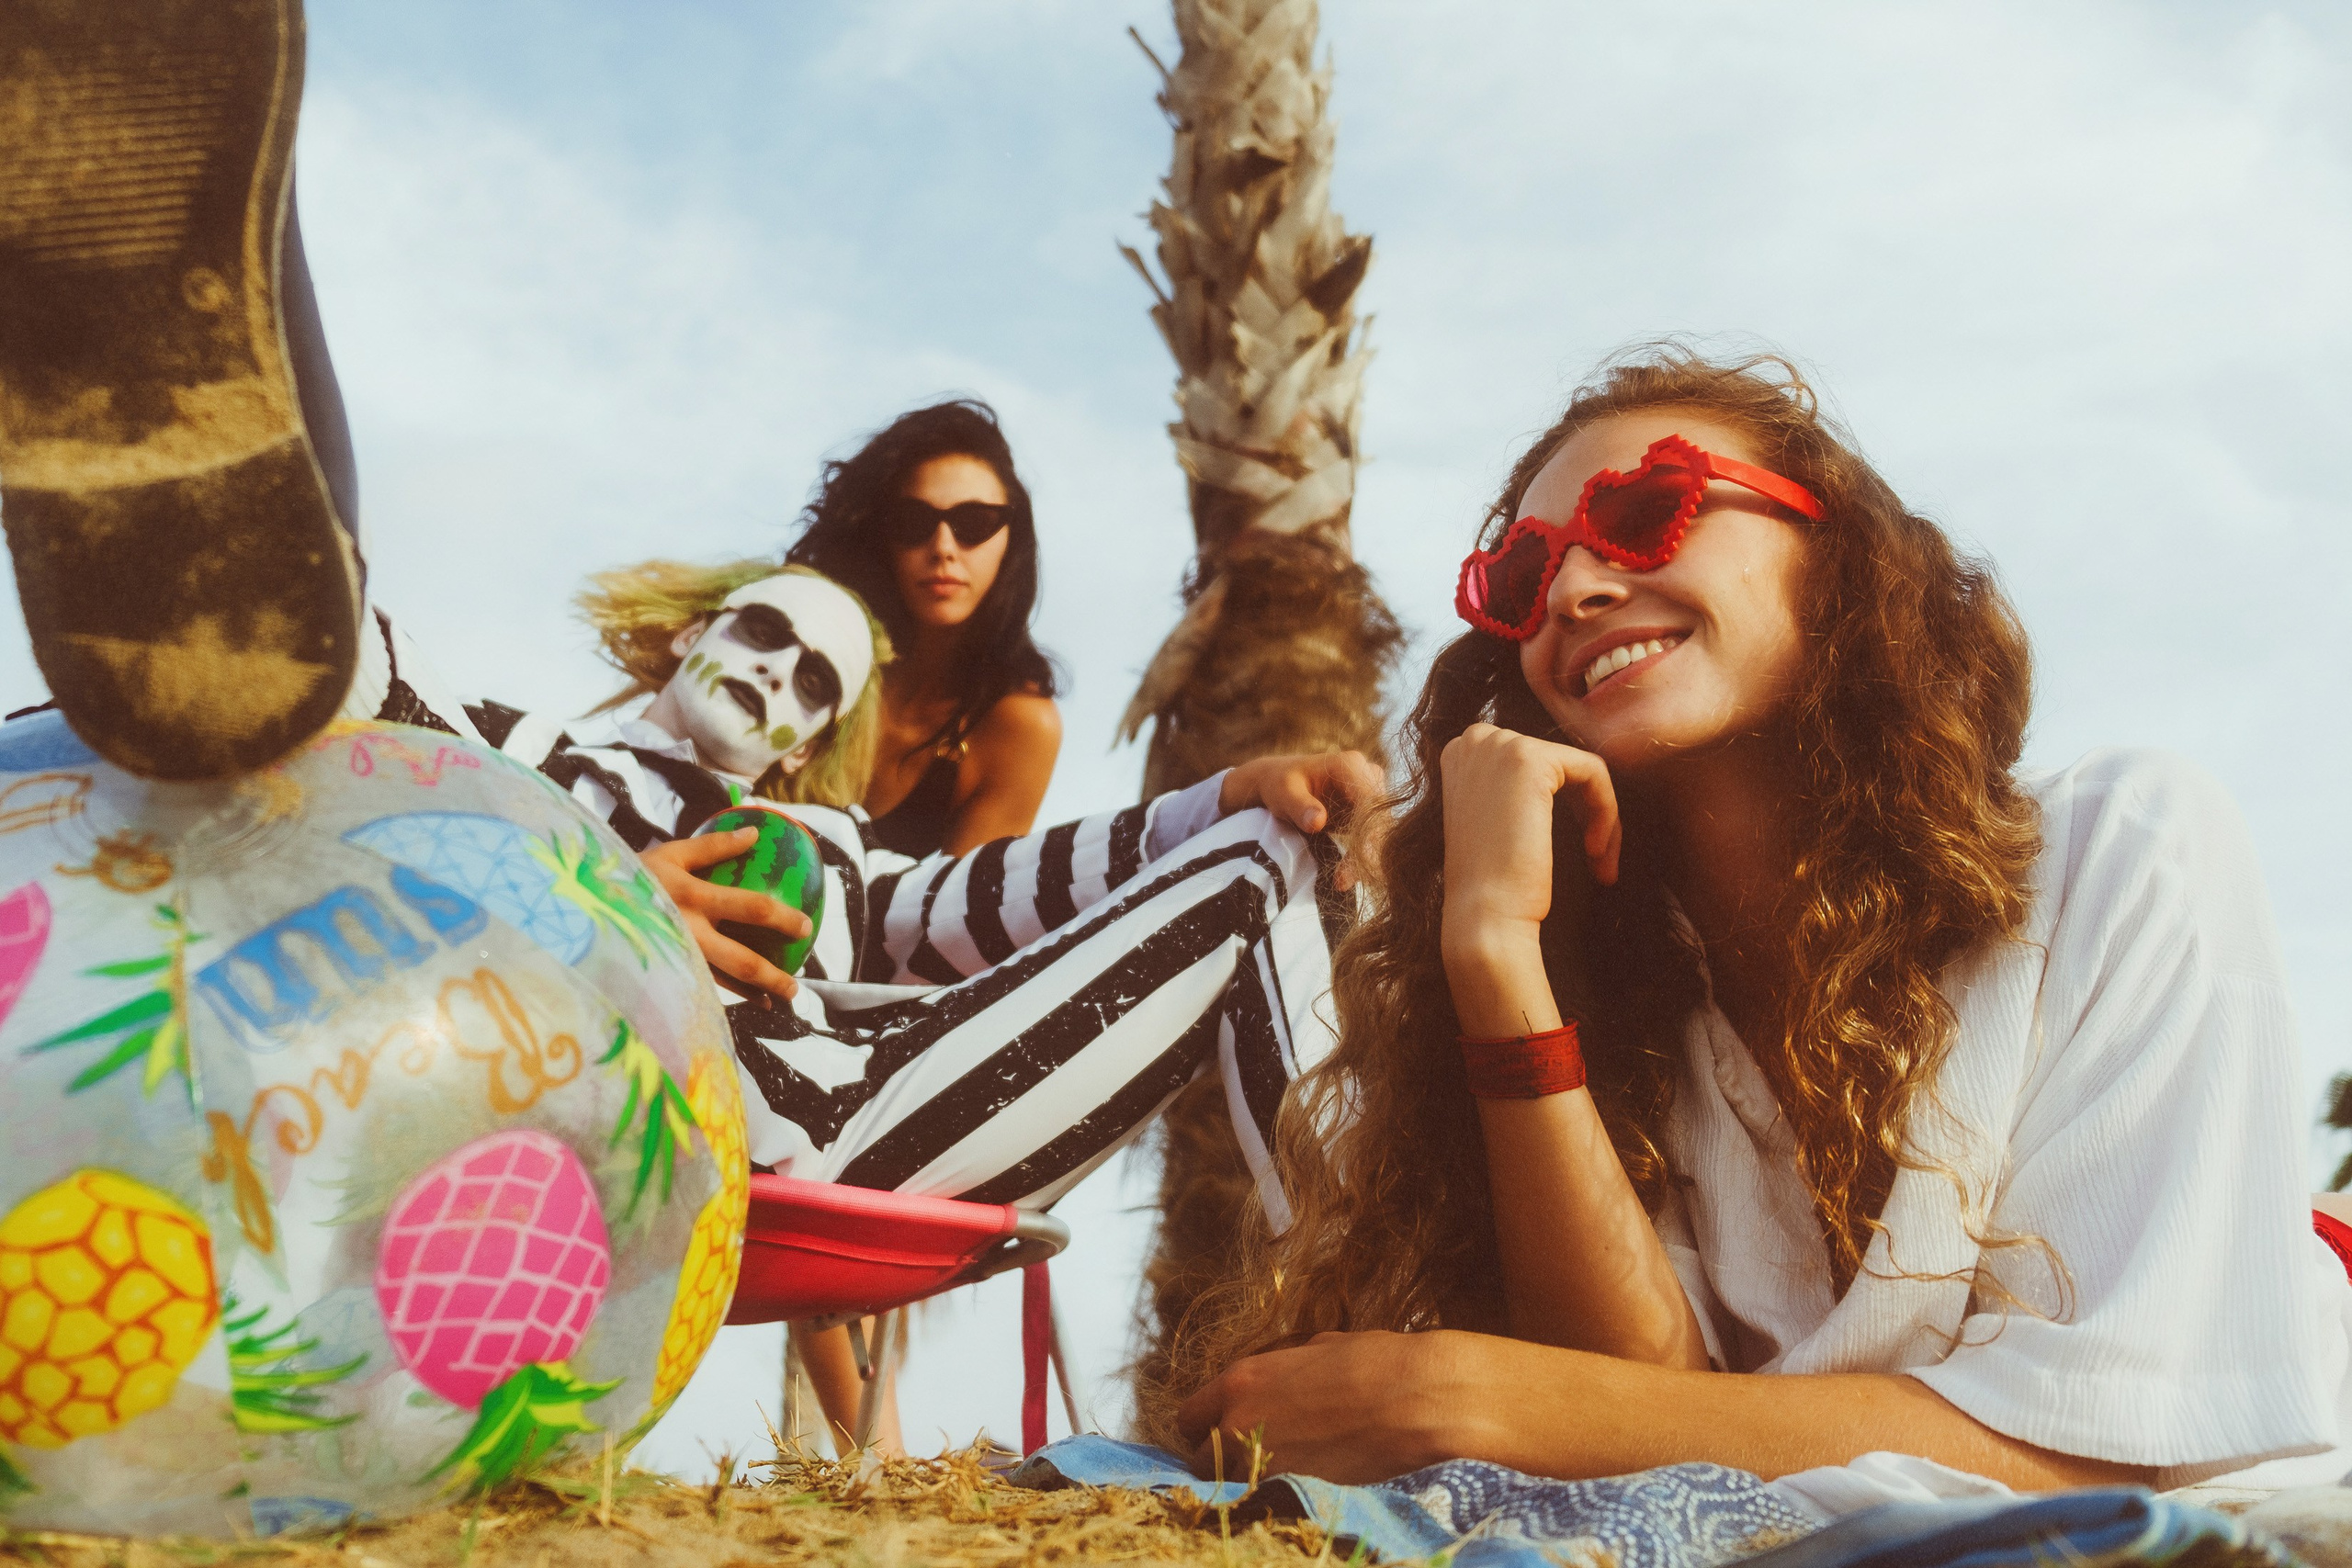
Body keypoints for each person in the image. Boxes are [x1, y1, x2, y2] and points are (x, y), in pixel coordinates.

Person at [1161, 349, 2348, 1496]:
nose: (1575, 590)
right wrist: (1496, 955)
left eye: (1649, 509)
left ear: (1834, 554)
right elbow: (1639, 1408)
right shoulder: (1634, 975)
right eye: (1521, 580)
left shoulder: (2115, 847)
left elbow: (2109, 1451)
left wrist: (1469, 1394)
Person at [786, 400, 1062, 857]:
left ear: (1012, 538)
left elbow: (955, 917)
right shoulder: (804, 648)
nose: (943, 548)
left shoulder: (1019, 725)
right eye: (913, 522)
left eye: (974, 523)